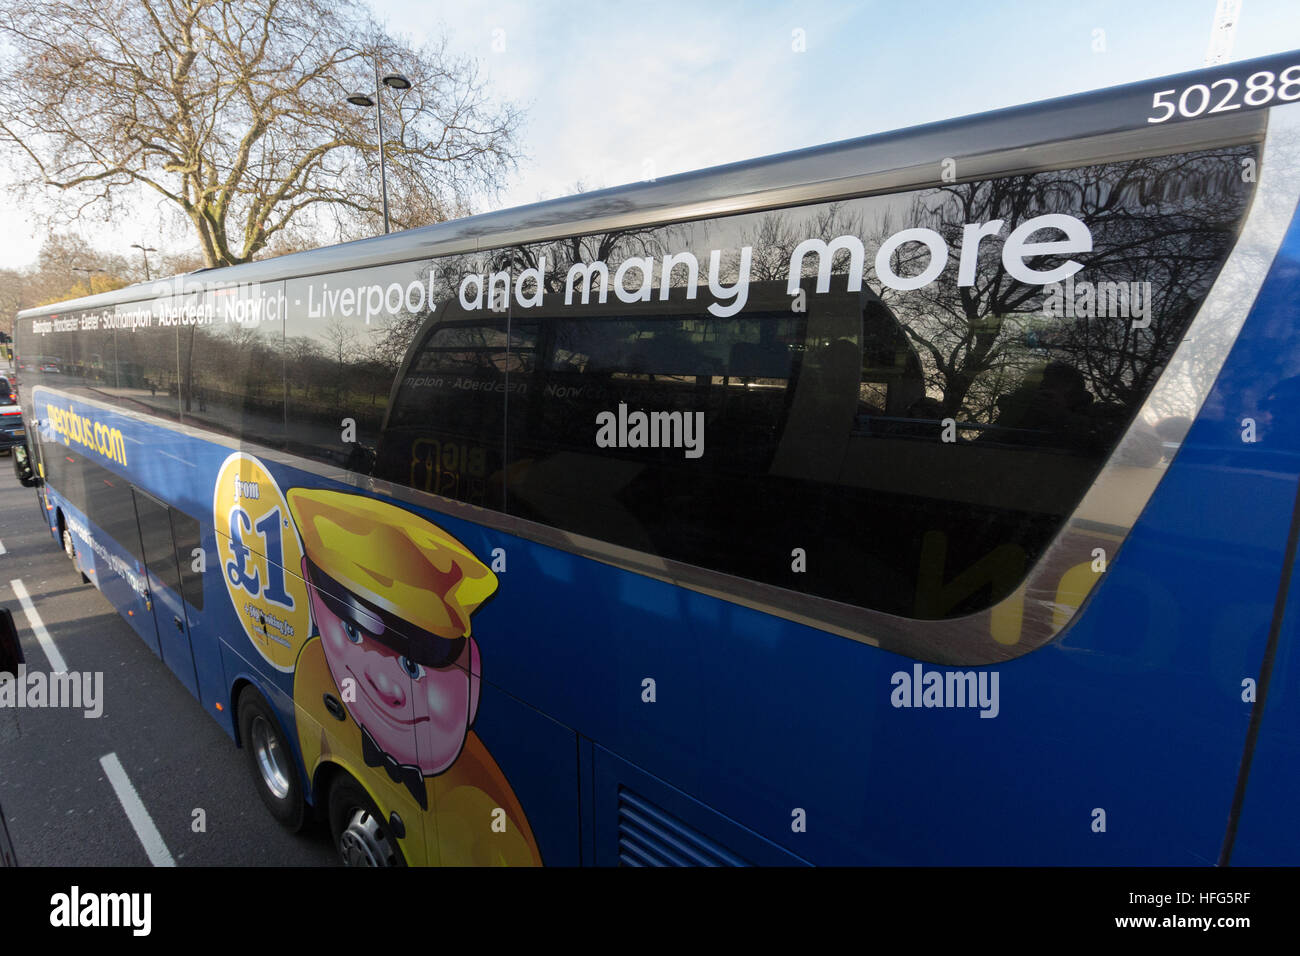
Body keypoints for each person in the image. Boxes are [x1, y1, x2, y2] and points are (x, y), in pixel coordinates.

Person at [287, 488, 542, 865]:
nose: (385, 685)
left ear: (471, 676)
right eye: (353, 632)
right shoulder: (313, 675)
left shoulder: (485, 810)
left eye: (413, 665)